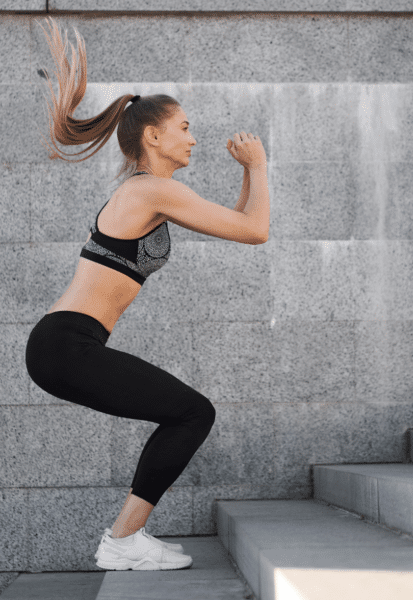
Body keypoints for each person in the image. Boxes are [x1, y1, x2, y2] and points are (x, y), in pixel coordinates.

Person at [25, 17, 269, 571]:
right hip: (66, 344)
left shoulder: (151, 192)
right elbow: (257, 230)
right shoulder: (154, 189)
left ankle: (127, 538)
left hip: (68, 343)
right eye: (184, 126)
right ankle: (122, 541)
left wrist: (248, 176)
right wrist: (259, 165)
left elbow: (237, 221)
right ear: (153, 136)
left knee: (186, 412)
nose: (194, 136)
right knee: (192, 413)